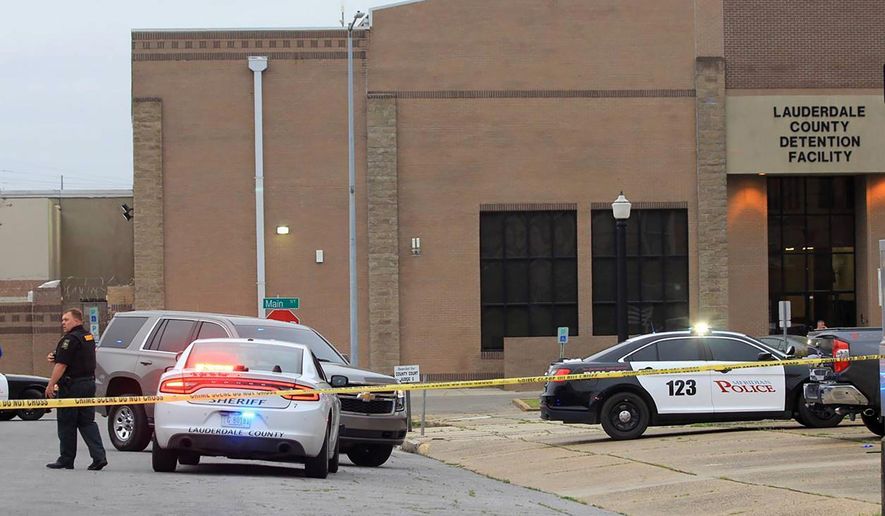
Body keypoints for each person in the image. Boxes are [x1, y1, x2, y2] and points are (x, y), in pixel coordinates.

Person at [45, 308, 107, 470]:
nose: (63, 322)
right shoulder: (88, 337)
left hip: (72, 386)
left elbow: (62, 364)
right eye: (63, 320)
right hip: (88, 384)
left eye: (66, 320)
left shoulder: (70, 339)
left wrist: (51, 384)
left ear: (77, 320)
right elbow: (75, 357)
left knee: (66, 422)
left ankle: (66, 459)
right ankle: (99, 457)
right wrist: (56, 356)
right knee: (87, 422)